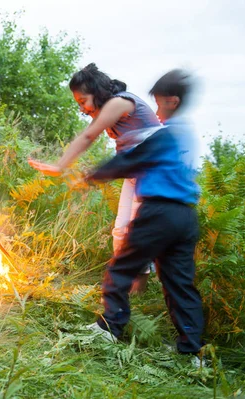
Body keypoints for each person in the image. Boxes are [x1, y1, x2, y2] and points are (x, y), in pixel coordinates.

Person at [84, 69, 205, 364]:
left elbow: (133, 159)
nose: (157, 113)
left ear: (173, 101)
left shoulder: (167, 135)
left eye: (160, 105)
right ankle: (193, 352)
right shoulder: (188, 135)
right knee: (180, 283)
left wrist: (93, 175)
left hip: (159, 212)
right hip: (186, 217)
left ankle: (109, 327)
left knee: (122, 266)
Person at [29, 63, 161, 292]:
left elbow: (89, 136)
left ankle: (136, 292)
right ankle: (135, 290)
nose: (82, 109)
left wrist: (60, 166)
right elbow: (89, 135)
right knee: (120, 231)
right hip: (136, 176)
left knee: (134, 233)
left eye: (82, 101)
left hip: (156, 174)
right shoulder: (110, 108)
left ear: (97, 92)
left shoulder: (120, 102)